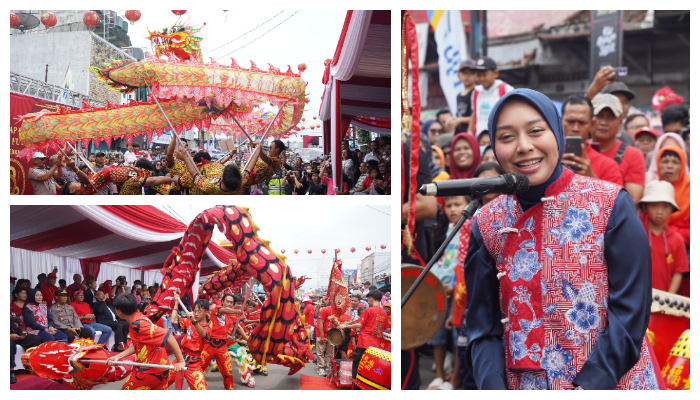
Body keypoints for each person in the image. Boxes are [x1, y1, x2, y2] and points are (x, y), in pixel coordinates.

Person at [464, 88, 660, 390]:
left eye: (536, 131)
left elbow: (631, 313)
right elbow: (483, 327)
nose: (524, 146)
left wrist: (589, 385)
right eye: (506, 137)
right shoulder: (487, 222)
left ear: (557, 132)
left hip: (613, 382)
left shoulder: (610, 205)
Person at [427, 194, 470, 390]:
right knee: (438, 334)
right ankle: (439, 377)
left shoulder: (470, 225)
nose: (453, 209)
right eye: (449, 205)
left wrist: (455, 286)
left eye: (458, 204)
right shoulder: (450, 228)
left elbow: (464, 262)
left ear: (469, 205)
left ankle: (455, 379)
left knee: (456, 337)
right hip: (439, 289)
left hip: (458, 291)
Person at [105, 293, 186, 389]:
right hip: (161, 369)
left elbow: (168, 336)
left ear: (119, 311)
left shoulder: (138, 324)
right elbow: (138, 344)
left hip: (149, 371)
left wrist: (181, 361)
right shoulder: (138, 318)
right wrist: (119, 356)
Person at [590, 94, 646, 205]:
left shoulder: (633, 155)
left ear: (620, 122)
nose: (604, 122)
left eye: (611, 117)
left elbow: (631, 203)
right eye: (599, 116)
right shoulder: (578, 150)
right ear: (589, 119)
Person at [560, 95, 624, 186]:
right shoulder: (548, 158)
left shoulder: (608, 166)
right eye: (570, 121)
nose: (575, 128)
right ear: (560, 121)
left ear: (592, 124)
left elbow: (616, 200)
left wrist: (592, 178)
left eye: (582, 123)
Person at [638, 181, 689, 293]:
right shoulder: (636, 234)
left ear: (672, 209)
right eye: (654, 205)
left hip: (664, 304)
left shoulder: (677, 239)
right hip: (638, 299)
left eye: (665, 206)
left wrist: (668, 298)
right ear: (645, 207)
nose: (660, 212)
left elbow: (678, 272)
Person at [338, 290, 387, 382]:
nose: (368, 302)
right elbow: (385, 328)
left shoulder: (368, 310)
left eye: (368, 300)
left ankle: (355, 383)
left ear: (371, 299)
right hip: (376, 344)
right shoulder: (384, 313)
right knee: (370, 366)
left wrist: (346, 326)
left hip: (364, 342)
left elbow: (360, 325)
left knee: (357, 363)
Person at [61, 157, 177, 195]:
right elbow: (151, 181)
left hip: (111, 175)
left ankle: (170, 187)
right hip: (112, 176)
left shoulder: (84, 186)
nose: (75, 182)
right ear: (71, 191)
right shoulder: (84, 191)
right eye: (72, 184)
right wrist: (74, 168)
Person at [200, 292, 244, 390]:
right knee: (198, 368)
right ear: (222, 302)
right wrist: (235, 311)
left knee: (228, 371)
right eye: (227, 301)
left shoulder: (230, 318)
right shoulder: (217, 309)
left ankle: (229, 390)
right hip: (210, 344)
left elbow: (227, 333)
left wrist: (230, 337)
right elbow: (224, 310)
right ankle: (193, 388)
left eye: (231, 302)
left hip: (222, 347)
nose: (229, 304)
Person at [167, 295, 210, 390]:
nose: (197, 313)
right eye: (195, 311)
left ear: (207, 312)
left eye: (200, 311)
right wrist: (176, 303)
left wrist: (193, 320)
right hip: (180, 359)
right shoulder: (188, 322)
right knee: (161, 381)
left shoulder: (208, 327)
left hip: (194, 363)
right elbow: (173, 320)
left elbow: (203, 334)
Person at [585, 68, 636, 146]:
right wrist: (592, 91)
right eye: (616, 101)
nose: (621, 106)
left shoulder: (627, 139)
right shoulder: (588, 133)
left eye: (625, 102)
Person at [468, 56, 514, 135]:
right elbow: (474, 113)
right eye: (478, 75)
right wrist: (470, 131)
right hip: (480, 137)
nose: (481, 78)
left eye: (484, 74)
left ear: (495, 73)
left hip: (500, 135)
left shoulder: (506, 89)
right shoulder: (476, 92)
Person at [655, 147, 690, 247]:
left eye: (675, 162)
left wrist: (669, 231)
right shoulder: (652, 189)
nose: (669, 166)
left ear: (683, 165)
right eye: (665, 161)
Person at [11, 301, 43, 384]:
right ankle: (10, 372)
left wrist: (23, 332)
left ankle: (32, 365)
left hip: (17, 334)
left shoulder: (10, 309)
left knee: (35, 339)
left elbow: (19, 321)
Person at [455, 60, 478, 133]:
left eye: (471, 73)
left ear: (476, 75)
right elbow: (459, 114)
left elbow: (476, 116)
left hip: (471, 132)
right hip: (459, 132)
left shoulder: (477, 92)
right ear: (458, 75)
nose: (467, 76)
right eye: (464, 73)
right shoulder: (459, 95)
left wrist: (459, 120)